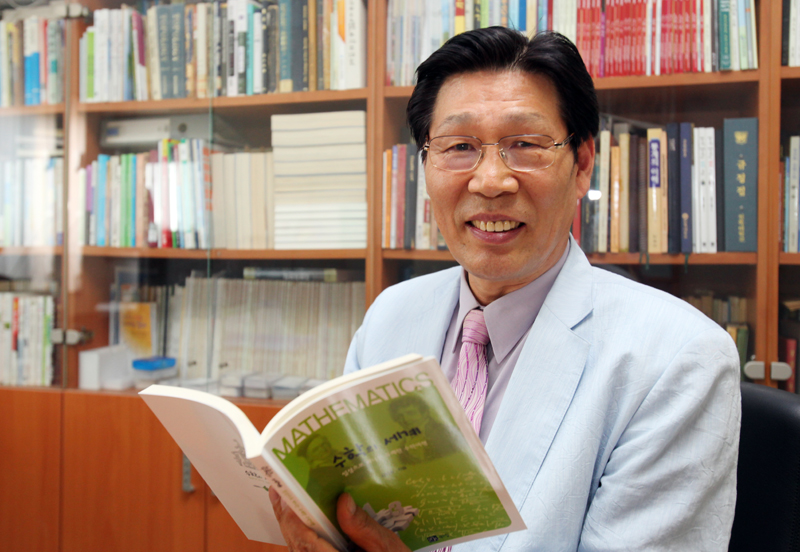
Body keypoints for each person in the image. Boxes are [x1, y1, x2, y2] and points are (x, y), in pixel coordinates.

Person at [270, 27, 741, 551]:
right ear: (424, 165)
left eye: (525, 145)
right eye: (459, 147)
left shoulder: (677, 359)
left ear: (583, 163)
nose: (490, 181)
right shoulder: (390, 315)